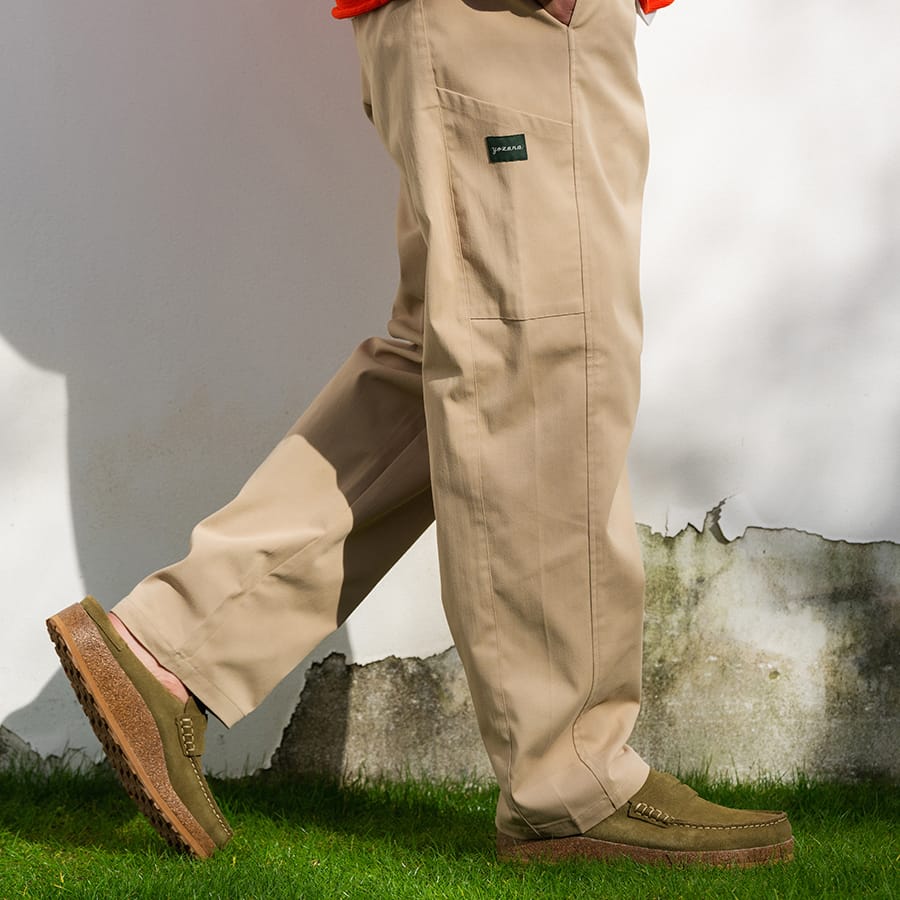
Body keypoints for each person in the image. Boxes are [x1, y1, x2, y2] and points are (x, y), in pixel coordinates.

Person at [46, 0, 793, 866]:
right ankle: (572, 783)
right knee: (543, 366)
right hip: (511, 23)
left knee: (458, 358)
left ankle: (170, 649)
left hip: (474, 27)